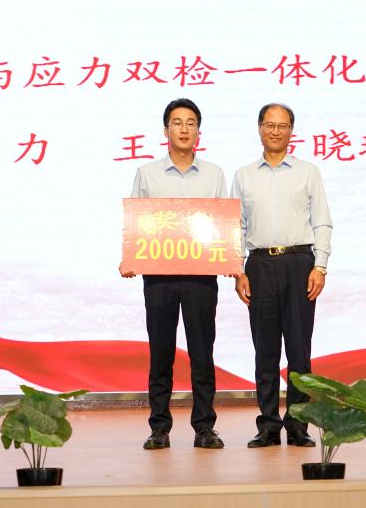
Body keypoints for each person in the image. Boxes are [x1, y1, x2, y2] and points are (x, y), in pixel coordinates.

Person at [121, 98, 226, 450]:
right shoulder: (147, 173)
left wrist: (230, 260)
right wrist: (129, 257)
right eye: (177, 123)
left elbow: (223, 224)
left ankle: (204, 427)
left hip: (201, 277)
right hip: (159, 276)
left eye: (191, 123)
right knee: (161, 353)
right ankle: (159, 428)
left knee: (202, 353)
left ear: (199, 131)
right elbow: (136, 222)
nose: (184, 129)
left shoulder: (213, 175)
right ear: (165, 130)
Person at [232, 102, 333, 448]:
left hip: (299, 263)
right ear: (259, 128)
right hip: (259, 266)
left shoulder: (308, 172)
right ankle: (268, 425)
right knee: (265, 349)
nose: (276, 131)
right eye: (269, 125)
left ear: (291, 131)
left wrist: (320, 265)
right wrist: (237, 270)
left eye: (283, 125)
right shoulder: (244, 175)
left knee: (299, 350)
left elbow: (322, 221)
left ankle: (299, 424)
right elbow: (236, 226)